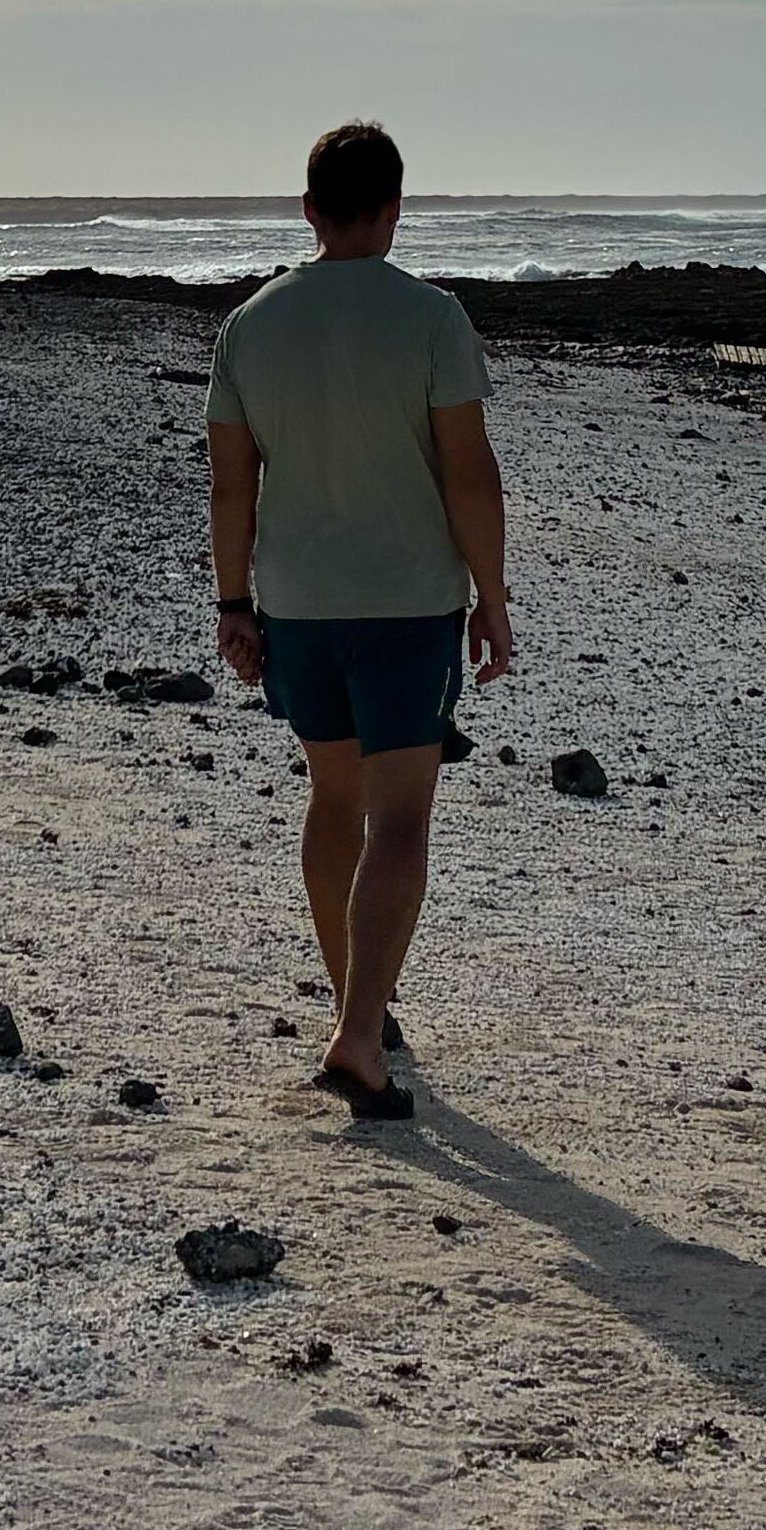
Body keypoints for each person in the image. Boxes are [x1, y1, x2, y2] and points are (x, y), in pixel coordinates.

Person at [204, 120, 513, 1121]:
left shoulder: (250, 324)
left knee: (335, 803)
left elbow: (229, 485)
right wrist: (495, 598)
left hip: (296, 600)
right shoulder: (431, 317)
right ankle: (357, 1033)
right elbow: (469, 474)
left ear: (308, 212)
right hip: (407, 601)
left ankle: (359, 1008)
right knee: (403, 816)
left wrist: (232, 604)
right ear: (393, 209)